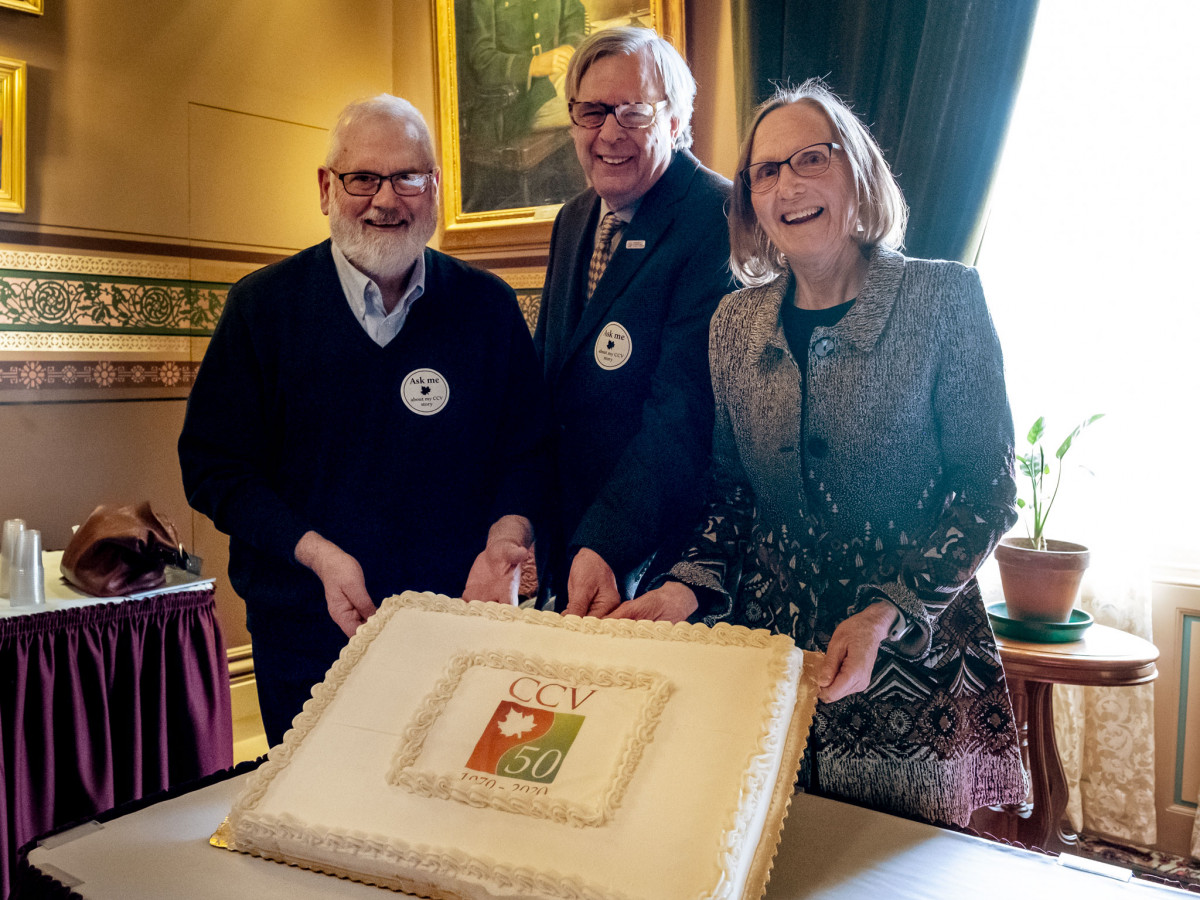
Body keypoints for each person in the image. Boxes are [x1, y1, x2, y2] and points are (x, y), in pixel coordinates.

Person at [618, 79, 1025, 827]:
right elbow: (733, 496)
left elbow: (989, 494)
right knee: (768, 854)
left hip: (915, 671)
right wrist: (685, 587)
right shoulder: (733, 326)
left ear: (857, 173)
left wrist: (884, 615)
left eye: (811, 159)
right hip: (772, 665)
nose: (788, 185)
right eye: (766, 171)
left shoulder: (945, 301)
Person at [178, 95, 547, 747]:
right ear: (326, 187)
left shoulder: (486, 307)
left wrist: (506, 536)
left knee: (454, 820)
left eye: (408, 176)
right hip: (307, 635)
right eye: (363, 179)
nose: (386, 199)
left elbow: (527, 447)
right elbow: (215, 470)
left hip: (457, 625)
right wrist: (316, 554)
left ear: (434, 187)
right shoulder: (262, 309)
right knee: (316, 824)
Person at [535, 26, 734, 617]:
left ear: (675, 120)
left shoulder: (716, 216)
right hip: (572, 547)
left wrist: (607, 541)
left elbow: (683, 414)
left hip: (659, 560)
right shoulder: (573, 218)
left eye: (634, 112)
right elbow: (548, 376)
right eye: (592, 112)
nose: (610, 133)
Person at [464, 0, 587, 139]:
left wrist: (570, 47)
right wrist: (532, 65)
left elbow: (575, 14)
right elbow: (481, 59)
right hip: (508, 107)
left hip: (547, 91)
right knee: (593, 114)